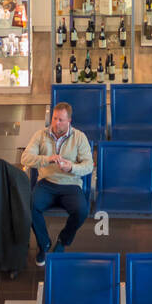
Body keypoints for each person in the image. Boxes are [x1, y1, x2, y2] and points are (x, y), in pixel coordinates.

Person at [21, 102, 93, 266]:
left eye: (61, 120)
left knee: (81, 211)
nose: (56, 123)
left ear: (69, 121)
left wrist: (71, 167)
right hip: (46, 183)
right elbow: (25, 158)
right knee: (31, 206)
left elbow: (89, 165)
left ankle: (63, 240)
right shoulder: (40, 135)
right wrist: (47, 159)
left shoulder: (79, 137)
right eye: (54, 118)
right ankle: (44, 243)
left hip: (70, 185)